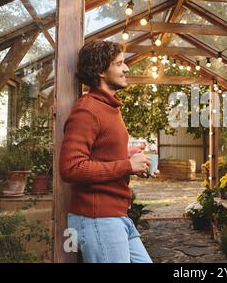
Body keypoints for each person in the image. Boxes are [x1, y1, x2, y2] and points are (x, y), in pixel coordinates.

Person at [60, 41, 156, 263]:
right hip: (97, 219)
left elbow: (103, 158)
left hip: (116, 216)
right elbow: (70, 168)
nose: (127, 68)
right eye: (119, 63)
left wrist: (132, 166)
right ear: (101, 71)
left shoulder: (110, 108)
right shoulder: (87, 110)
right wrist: (127, 165)